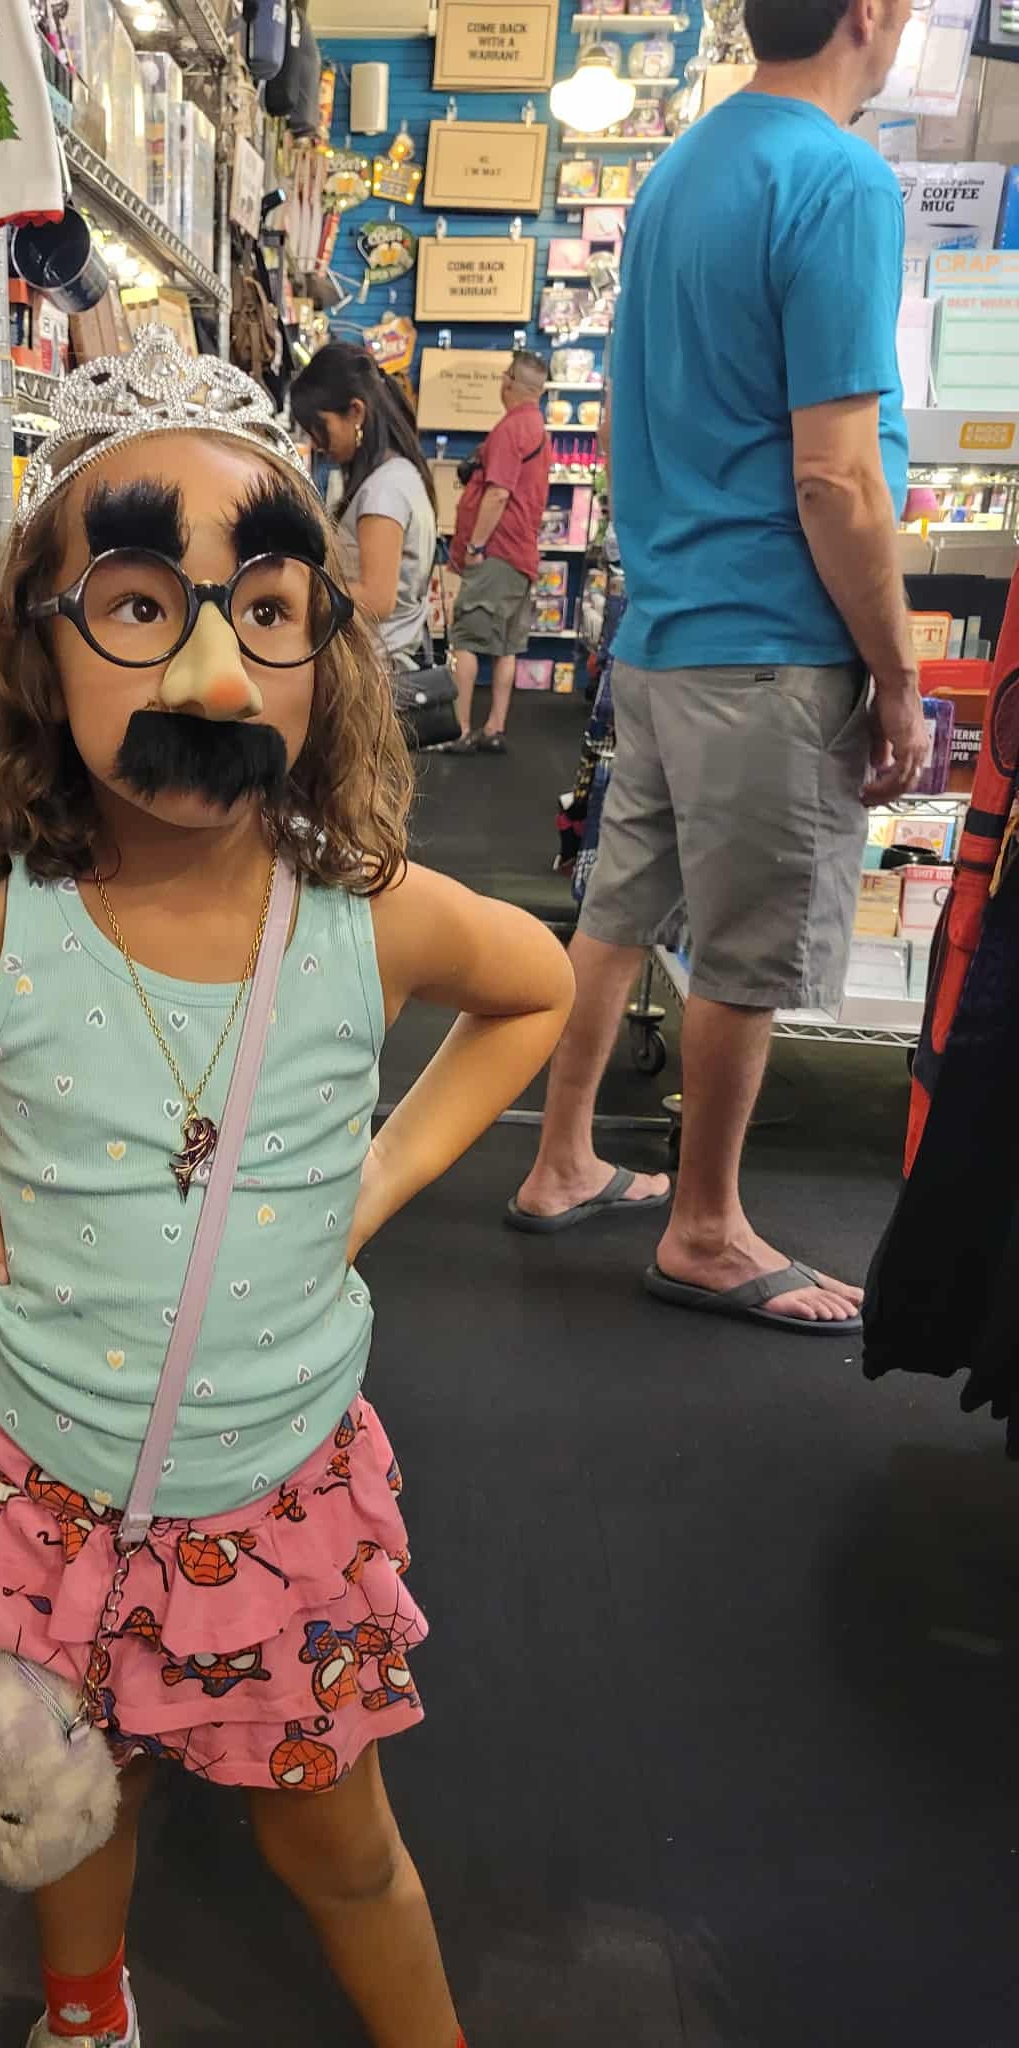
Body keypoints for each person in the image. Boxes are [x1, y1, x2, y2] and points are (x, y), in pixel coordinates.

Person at [0, 330, 572, 2048]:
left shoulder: (368, 916)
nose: (210, 665)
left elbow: (538, 991)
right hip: (37, 1487)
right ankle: (83, 2009)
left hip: (269, 1504)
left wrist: (377, 1179)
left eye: (266, 610)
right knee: (65, 1791)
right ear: (40, 651)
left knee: (338, 1846)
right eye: (138, 604)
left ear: (321, 649)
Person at [509, 0, 930, 1335]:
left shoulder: (682, 168)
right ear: (869, 13)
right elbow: (836, 477)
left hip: (667, 627)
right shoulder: (839, 176)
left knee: (621, 909)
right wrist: (900, 674)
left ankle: (562, 1156)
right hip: (770, 638)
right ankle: (706, 1226)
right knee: (748, 948)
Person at [290, 341, 439, 666]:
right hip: (387, 658)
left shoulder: (384, 490)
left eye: (320, 428)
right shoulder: (400, 475)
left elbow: (377, 597)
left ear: (356, 412)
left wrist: (300, 593)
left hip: (378, 664)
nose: (317, 443)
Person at [441, 349, 550, 754]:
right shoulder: (537, 428)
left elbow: (498, 493)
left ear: (509, 382)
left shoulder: (510, 429)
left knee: (466, 639)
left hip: (497, 553)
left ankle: (459, 729)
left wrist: (475, 546)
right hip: (521, 554)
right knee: (506, 644)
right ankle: (494, 727)